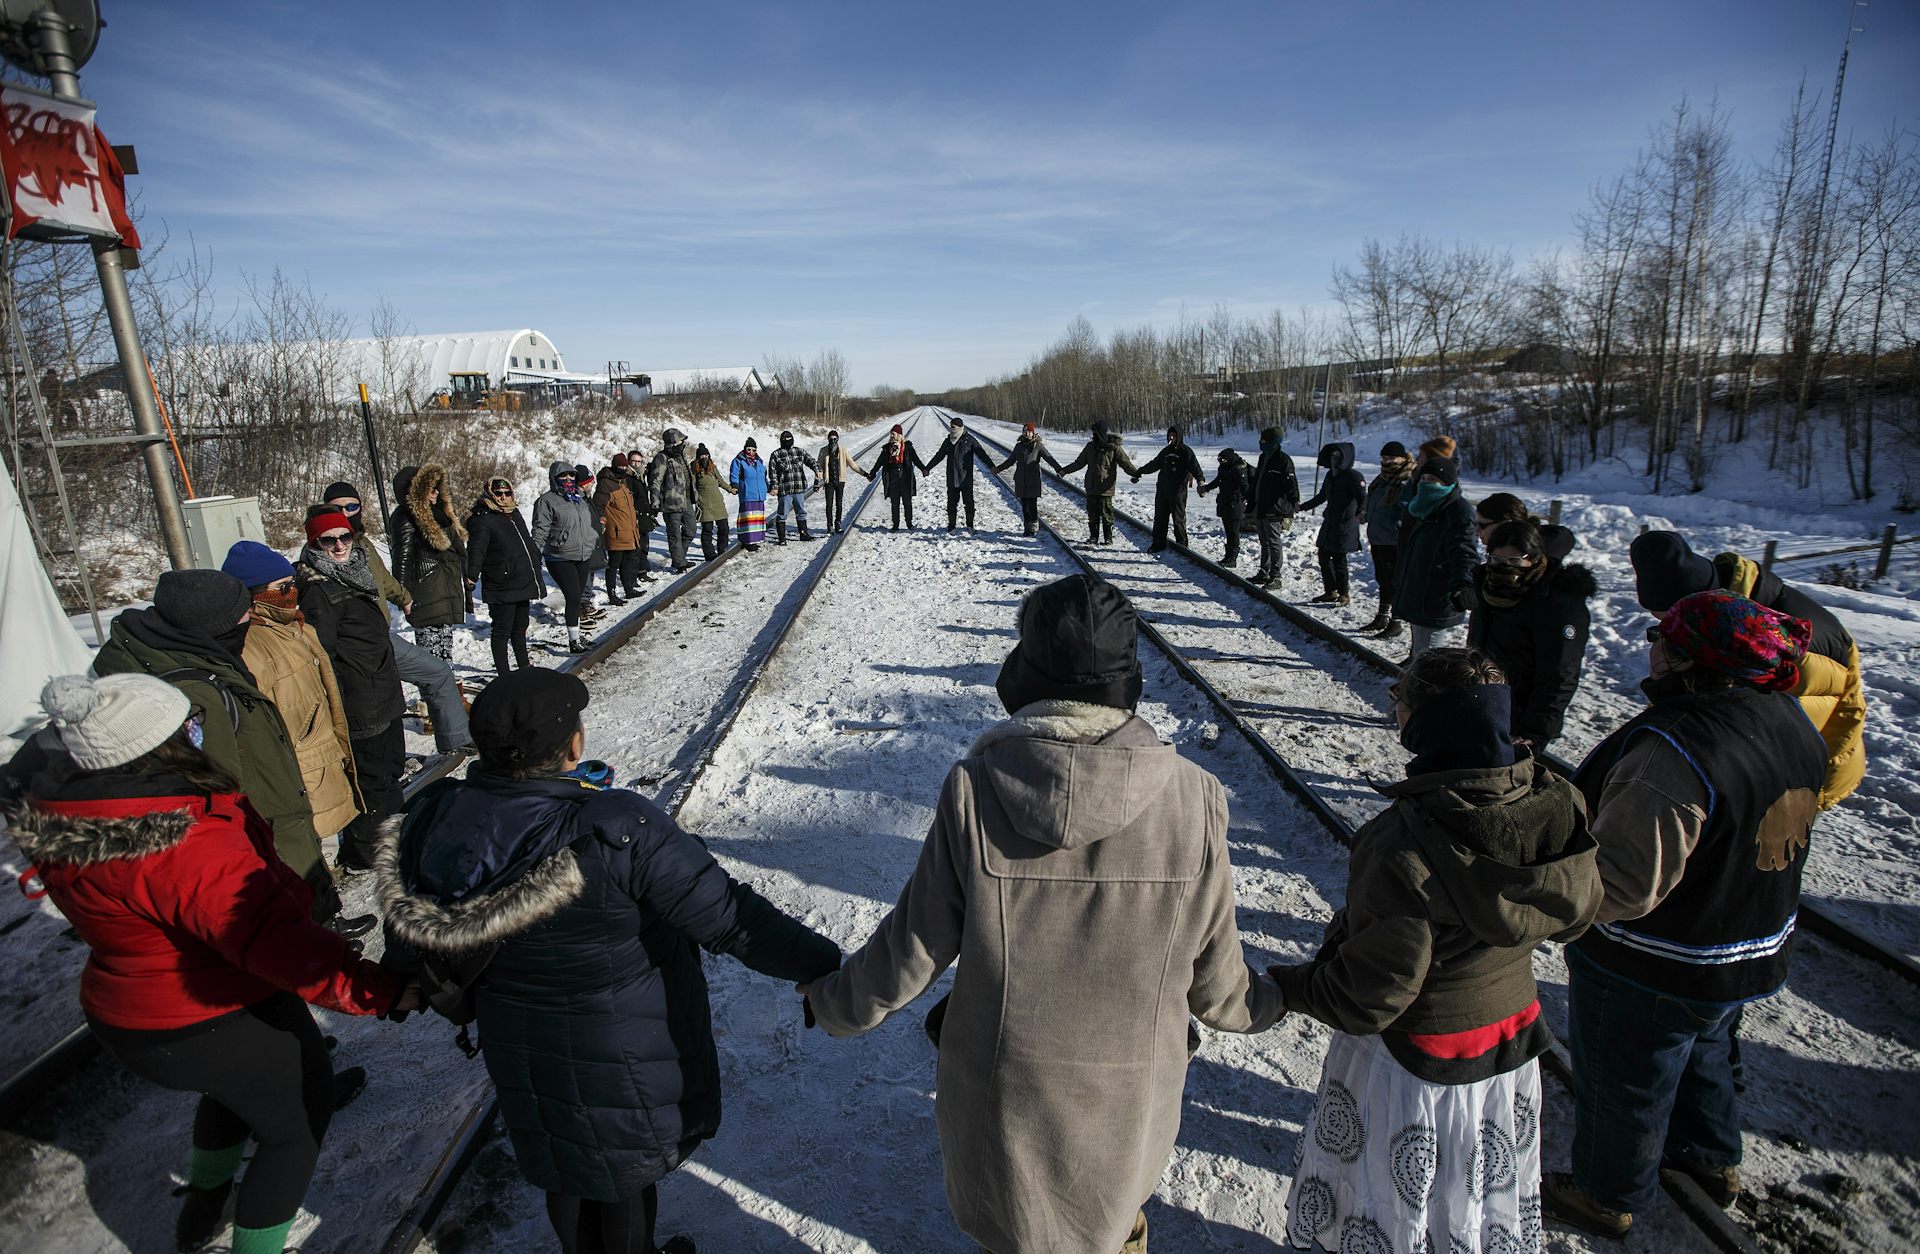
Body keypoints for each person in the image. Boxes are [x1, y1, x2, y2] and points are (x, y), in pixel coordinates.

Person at [801, 574, 1284, 1254]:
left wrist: (834, 1005)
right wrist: (1274, 1001)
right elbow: (1218, 984)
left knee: (1015, 1229)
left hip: (1005, 1099)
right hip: (1130, 1098)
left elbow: (913, 946)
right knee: (1113, 1228)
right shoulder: (1194, 798)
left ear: (1029, 671)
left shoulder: (975, 789)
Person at [377, 668, 840, 1254]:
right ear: (573, 744)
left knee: (561, 1156)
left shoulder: (435, 812)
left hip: (515, 1038)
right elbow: (729, 917)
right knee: (618, 1173)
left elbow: (408, 919)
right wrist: (825, 966)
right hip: (621, 1047)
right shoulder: (615, 828)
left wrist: (398, 980)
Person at [11, 673, 414, 1254]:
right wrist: (380, 991)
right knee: (296, 1129)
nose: (200, 732)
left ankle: (202, 1211)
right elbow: (270, 939)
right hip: (209, 1012)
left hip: (136, 1008)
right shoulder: (182, 840)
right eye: (188, 726)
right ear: (158, 746)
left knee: (236, 1094)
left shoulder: (80, 813)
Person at [1275, 646, 1601, 1254]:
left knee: (1395, 1195)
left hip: (1417, 1061)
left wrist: (1290, 987)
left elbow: (1373, 995)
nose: (1392, 710)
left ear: (1428, 722)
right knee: (1475, 1187)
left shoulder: (1401, 842)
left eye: (1400, 702)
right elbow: (1574, 916)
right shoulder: (1558, 802)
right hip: (1511, 1034)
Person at [1544, 590, 1825, 1239]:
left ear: (1689, 659)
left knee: (1624, 1077)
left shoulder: (1674, 753)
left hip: (1654, 959)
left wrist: (1540, 902)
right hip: (1745, 940)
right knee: (1707, 1052)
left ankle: (1604, 1191)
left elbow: (1624, 882)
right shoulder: (1788, 717)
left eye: (1662, 638)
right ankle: (1712, 1160)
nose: (1652, 647)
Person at [91, 568, 338, 922]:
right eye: (242, 614)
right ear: (213, 625)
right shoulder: (194, 694)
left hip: (274, 818)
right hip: (262, 833)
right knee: (292, 924)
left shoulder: (200, 654)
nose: (250, 617)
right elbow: (218, 790)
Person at [1629, 530, 1865, 810]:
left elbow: (1772, 726)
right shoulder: (1738, 615)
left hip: (1809, 773)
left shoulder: (1778, 640)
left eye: (1672, 624)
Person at [221, 541, 369, 933]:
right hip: (297, 760)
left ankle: (327, 920)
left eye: (293, 584)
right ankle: (313, 932)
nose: (292, 592)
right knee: (299, 851)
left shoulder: (292, 625)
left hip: (318, 748)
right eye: (282, 587)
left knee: (315, 849)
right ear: (254, 595)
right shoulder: (252, 645)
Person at [320, 481, 472, 756]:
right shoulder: (323, 557)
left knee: (437, 672)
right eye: (337, 508)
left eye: (351, 507)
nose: (345, 513)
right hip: (353, 649)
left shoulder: (362, 544)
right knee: (379, 710)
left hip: (381, 636)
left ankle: (456, 740)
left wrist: (403, 596)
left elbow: (382, 578)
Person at [297, 510, 409, 872]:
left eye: (344, 537)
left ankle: (394, 838)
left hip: (382, 688)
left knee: (390, 769)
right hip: (361, 698)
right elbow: (322, 655)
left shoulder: (354, 571)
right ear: (315, 545)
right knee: (374, 779)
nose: (340, 546)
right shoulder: (318, 590)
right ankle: (368, 852)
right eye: (328, 541)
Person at [1466, 520, 1594, 755]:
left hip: (1521, 719)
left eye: (1514, 561)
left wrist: (1535, 732)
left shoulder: (1558, 604)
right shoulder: (1489, 587)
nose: (1503, 567)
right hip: (1484, 705)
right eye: (1496, 559)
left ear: (1533, 558)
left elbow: (1559, 674)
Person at [1392, 455, 1477, 661]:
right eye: (1424, 478)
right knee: (1418, 637)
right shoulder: (1420, 506)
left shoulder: (1458, 510)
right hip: (1417, 585)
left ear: (1447, 483)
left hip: (1437, 591)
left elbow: (1464, 551)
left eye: (1433, 480)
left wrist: (1463, 584)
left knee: (1428, 649)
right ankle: (1415, 666)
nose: (1426, 483)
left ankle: (1423, 685)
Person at [389, 464, 472, 662]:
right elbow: (402, 557)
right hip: (426, 595)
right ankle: (436, 693)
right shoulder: (405, 517)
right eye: (429, 488)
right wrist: (402, 595)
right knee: (432, 661)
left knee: (444, 655)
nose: (435, 492)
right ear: (416, 490)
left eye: (437, 488)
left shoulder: (439, 515)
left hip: (443, 592)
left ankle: (449, 691)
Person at [466, 475, 545, 674]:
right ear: (490, 494)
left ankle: (524, 665)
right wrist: (471, 574)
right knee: (502, 630)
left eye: (506, 493)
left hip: (522, 579)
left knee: (520, 627)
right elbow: (476, 549)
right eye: (498, 493)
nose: (503, 497)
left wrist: (535, 558)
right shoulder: (482, 519)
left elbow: (526, 541)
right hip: (502, 582)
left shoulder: (514, 513)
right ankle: (504, 673)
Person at [531, 462, 598, 653]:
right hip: (560, 557)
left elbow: (585, 523)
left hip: (583, 554)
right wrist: (534, 551)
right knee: (573, 596)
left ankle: (576, 635)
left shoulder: (578, 498)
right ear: (554, 478)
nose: (568, 480)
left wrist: (593, 536)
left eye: (571, 476)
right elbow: (540, 529)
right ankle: (573, 641)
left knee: (577, 598)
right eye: (563, 477)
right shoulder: (547, 501)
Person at [1298, 442, 1366, 606]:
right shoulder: (1331, 476)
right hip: (1330, 522)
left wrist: (1362, 513)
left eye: (1338, 456)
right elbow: (1322, 497)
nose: (1334, 459)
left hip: (1345, 524)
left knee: (1339, 560)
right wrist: (1302, 507)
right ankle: (1330, 591)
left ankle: (1344, 593)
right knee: (1323, 556)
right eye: (1332, 456)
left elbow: (1363, 498)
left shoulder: (1354, 477)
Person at [1056, 421, 1137, 546]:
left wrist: (1135, 473)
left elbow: (1125, 463)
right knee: (1092, 513)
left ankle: (1108, 538)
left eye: (1095, 433)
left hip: (1106, 487)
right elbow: (1079, 463)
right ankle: (1093, 537)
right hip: (1092, 486)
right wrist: (1064, 471)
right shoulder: (1090, 447)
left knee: (1106, 514)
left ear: (1101, 433)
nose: (1093, 435)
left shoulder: (1113, 448)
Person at [1362, 441, 1413, 635]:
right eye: (1384, 458)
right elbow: (1373, 500)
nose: (1387, 461)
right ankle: (1382, 616)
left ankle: (1396, 620)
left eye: (1391, 458)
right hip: (1378, 536)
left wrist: (1400, 528)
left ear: (1402, 458)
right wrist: (1366, 513)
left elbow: (1407, 509)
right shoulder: (1381, 479)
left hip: (1395, 539)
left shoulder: (1406, 480)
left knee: (1395, 582)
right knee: (1383, 579)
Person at [1131, 424, 1205, 552]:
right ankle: (1158, 543)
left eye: (1174, 436)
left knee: (1178, 519)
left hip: (1178, 492)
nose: (1171, 438)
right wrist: (1140, 471)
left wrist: (1200, 481)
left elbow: (1195, 467)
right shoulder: (1165, 452)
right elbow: (1154, 464)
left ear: (1179, 436)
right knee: (1160, 519)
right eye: (1169, 435)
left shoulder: (1186, 451)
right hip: (1162, 490)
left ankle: (1182, 546)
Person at [991, 421, 1063, 537]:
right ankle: (1027, 528)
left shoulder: (1038, 446)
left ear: (1033, 433)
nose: (1027, 434)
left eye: (1029, 432)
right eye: (1025, 431)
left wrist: (1059, 469)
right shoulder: (1019, 446)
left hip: (1033, 479)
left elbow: (1049, 458)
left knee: (1032, 504)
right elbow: (1010, 460)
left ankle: (1034, 526)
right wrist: (999, 469)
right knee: (1024, 505)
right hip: (1021, 479)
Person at [1249, 426, 1301, 587]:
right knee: (1264, 542)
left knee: (1273, 542)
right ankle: (1264, 572)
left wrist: (1294, 503)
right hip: (1261, 506)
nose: (1260, 444)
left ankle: (1276, 575)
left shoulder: (1283, 460)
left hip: (1275, 508)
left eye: (1264, 441)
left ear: (1273, 442)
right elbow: (1257, 481)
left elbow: (1291, 485)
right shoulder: (1263, 458)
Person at [592, 453, 647, 605]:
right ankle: (612, 593)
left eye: (624, 466)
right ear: (614, 466)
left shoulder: (622, 482)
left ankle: (628, 589)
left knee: (627, 562)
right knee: (614, 564)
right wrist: (602, 520)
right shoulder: (606, 484)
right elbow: (598, 505)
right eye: (620, 466)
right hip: (615, 532)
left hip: (629, 530)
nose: (623, 469)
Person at [648, 427, 698, 571]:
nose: (683, 444)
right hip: (671, 503)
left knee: (691, 529)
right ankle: (679, 562)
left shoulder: (680, 456)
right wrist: (655, 502)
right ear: (673, 442)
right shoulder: (662, 458)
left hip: (686, 500)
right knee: (674, 535)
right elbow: (656, 481)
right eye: (681, 441)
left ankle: (679, 557)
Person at [922, 414, 982, 532]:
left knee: (969, 503)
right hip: (952, 478)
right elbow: (939, 456)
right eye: (950, 427)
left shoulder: (969, 440)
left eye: (953, 427)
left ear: (960, 427)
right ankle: (951, 525)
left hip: (966, 478)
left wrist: (992, 467)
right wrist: (927, 468)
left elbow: (982, 454)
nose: (951, 429)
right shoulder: (948, 441)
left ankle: (970, 525)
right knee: (951, 504)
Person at [1197, 447, 1253, 567]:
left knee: (1233, 532)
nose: (1221, 462)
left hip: (1235, 505)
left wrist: (1250, 501)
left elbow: (1245, 488)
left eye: (1222, 460)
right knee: (1229, 531)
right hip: (1225, 504)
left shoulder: (1238, 469)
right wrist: (1206, 488)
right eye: (1219, 460)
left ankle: (1232, 558)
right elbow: (1218, 481)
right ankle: (1229, 557)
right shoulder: (1224, 468)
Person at [765, 430, 818, 545]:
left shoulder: (799, 452)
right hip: (784, 490)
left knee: (801, 512)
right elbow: (772, 473)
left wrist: (817, 470)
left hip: (798, 488)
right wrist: (774, 487)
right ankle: (782, 538)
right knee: (782, 514)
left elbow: (811, 461)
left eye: (789, 440)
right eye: (785, 440)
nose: (787, 442)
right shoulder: (776, 455)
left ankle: (803, 534)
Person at [867, 423, 923, 532]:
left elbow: (916, 460)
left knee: (907, 502)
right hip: (892, 477)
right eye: (891, 434)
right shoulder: (887, 449)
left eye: (894, 434)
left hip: (905, 476)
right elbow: (879, 462)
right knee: (895, 503)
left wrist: (924, 469)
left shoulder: (907, 447)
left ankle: (909, 523)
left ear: (900, 435)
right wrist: (873, 473)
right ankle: (895, 525)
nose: (892, 436)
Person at [691, 444, 736, 561]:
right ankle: (709, 554)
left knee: (724, 527)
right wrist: (695, 500)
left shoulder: (713, 467)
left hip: (717, 502)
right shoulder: (694, 469)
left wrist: (730, 489)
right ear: (698, 457)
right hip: (704, 504)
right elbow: (692, 487)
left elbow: (720, 481)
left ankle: (722, 549)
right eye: (702, 455)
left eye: (706, 455)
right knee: (707, 530)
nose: (704, 457)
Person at [817, 429, 864, 533]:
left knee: (839, 503)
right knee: (829, 504)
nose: (833, 440)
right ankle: (829, 525)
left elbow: (852, 464)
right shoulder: (823, 451)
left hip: (840, 481)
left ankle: (838, 524)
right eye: (831, 438)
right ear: (828, 439)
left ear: (837, 439)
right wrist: (817, 482)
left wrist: (864, 474)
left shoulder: (842, 450)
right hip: (829, 482)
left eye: (835, 438)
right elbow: (818, 467)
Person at [729, 437, 771, 551]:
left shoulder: (759, 462)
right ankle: (747, 540)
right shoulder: (739, 460)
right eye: (749, 449)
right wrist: (735, 485)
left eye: (753, 450)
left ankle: (756, 539)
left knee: (757, 519)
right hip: (747, 493)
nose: (751, 452)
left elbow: (763, 476)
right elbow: (734, 474)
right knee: (748, 519)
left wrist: (768, 487)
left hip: (758, 494)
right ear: (745, 449)